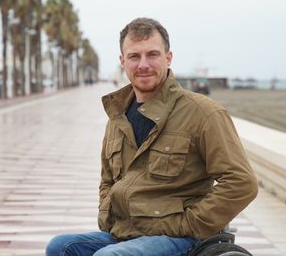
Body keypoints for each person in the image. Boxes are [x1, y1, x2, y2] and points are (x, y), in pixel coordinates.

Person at [46, 18, 258, 256]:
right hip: (125, 232)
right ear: (123, 61)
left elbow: (241, 183)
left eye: (152, 55)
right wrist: (107, 212)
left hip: (179, 237)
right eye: (134, 56)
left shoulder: (203, 113)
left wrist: (189, 224)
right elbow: (107, 179)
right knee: (60, 247)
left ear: (168, 58)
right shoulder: (118, 116)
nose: (143, 64)